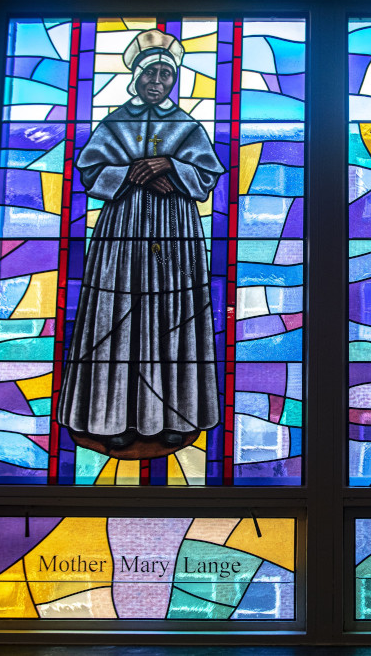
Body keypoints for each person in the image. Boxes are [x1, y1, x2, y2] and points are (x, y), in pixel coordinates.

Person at [58, 29, 224, 458]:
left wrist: (171, 164)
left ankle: (174, 416)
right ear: (135, 76)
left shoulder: (187, 126)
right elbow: (91, 169)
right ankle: (112, 418)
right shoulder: (114, 123)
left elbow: (206, 175)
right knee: (117, 317)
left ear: (175, 81)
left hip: (174, 234)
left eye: (166, 75)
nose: (158, 82)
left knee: (174, 314)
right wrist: (133, 171)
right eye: (150, 72)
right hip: (124, 231)